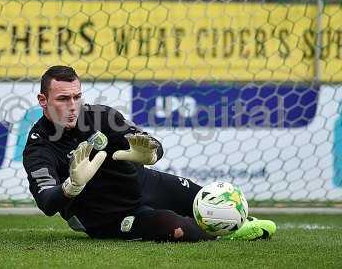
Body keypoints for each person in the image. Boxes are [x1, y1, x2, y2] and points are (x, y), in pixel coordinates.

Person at [23, 65, 276, 242]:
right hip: (109, 217)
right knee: (175, 229)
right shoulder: (39, 147)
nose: (72, 106)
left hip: (145, 184)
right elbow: (47, 202)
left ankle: (240, 222)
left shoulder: (102, 116)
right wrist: (72, 186)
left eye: (77, 97)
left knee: (212, 200)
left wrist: (150, 155)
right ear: (43, 100)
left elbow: (150, 144)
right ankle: (227, 233)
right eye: (63, 99)